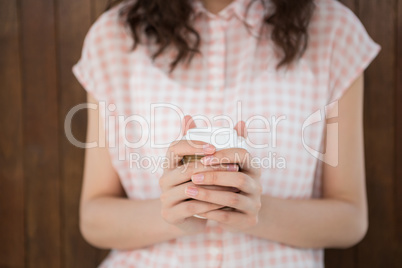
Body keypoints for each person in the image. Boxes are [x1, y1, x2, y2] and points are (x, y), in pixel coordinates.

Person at [72, 0, 380, 267]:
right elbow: (94, 219)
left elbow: (350, 219)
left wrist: (254, 209)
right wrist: (177, 211)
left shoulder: (332, 28)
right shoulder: (115, 35)